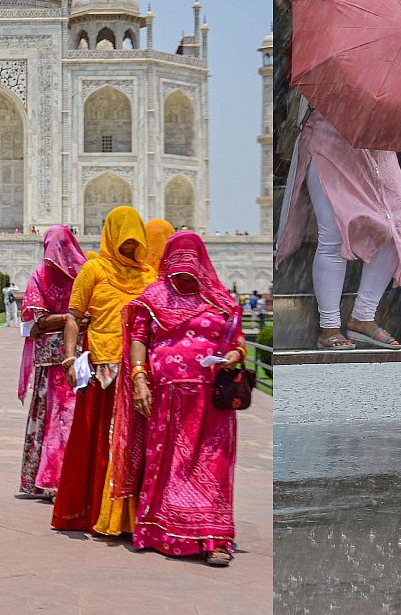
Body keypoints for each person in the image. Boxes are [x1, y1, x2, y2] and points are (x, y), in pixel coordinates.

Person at [112, 231, 245, 567]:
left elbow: (237, 341)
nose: (184, 264)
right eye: (178, 256)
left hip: (211, 399)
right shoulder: (153, 297)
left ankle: (214, 539)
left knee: (212, 467)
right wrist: (139, 378)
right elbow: (139, 337)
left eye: (191, 256)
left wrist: (235, 356)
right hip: (166, 398)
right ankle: (163, 532)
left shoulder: (219, 300)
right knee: (169, 464)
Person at [275, 100, 401, 351]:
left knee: (398, 233)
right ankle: (329, 327)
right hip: (329, 134)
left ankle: (363, 317)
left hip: (377, 139)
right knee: (334, 235)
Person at [51, 206, 155, 535]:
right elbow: (73, 316)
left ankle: (128, 516)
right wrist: (69, 358)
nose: (129, 245)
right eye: (124, 239)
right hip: (103, 367)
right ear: (111, 236)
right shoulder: (93, 269)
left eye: (134, 240)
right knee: (99, 440)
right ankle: (95, 510)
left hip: (138, 369)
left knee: (133, 443)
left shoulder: (149, 275)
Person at [18, 225, 86, 498]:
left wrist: (57, 320)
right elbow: (37, 321)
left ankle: (69, 478)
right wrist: (72, 318)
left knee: (68, 417)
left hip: (79, 361)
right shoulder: (41, 275)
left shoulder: (86, 273)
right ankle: (53, 478)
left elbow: (43, 323)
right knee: (56, 417)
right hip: (52, 362)